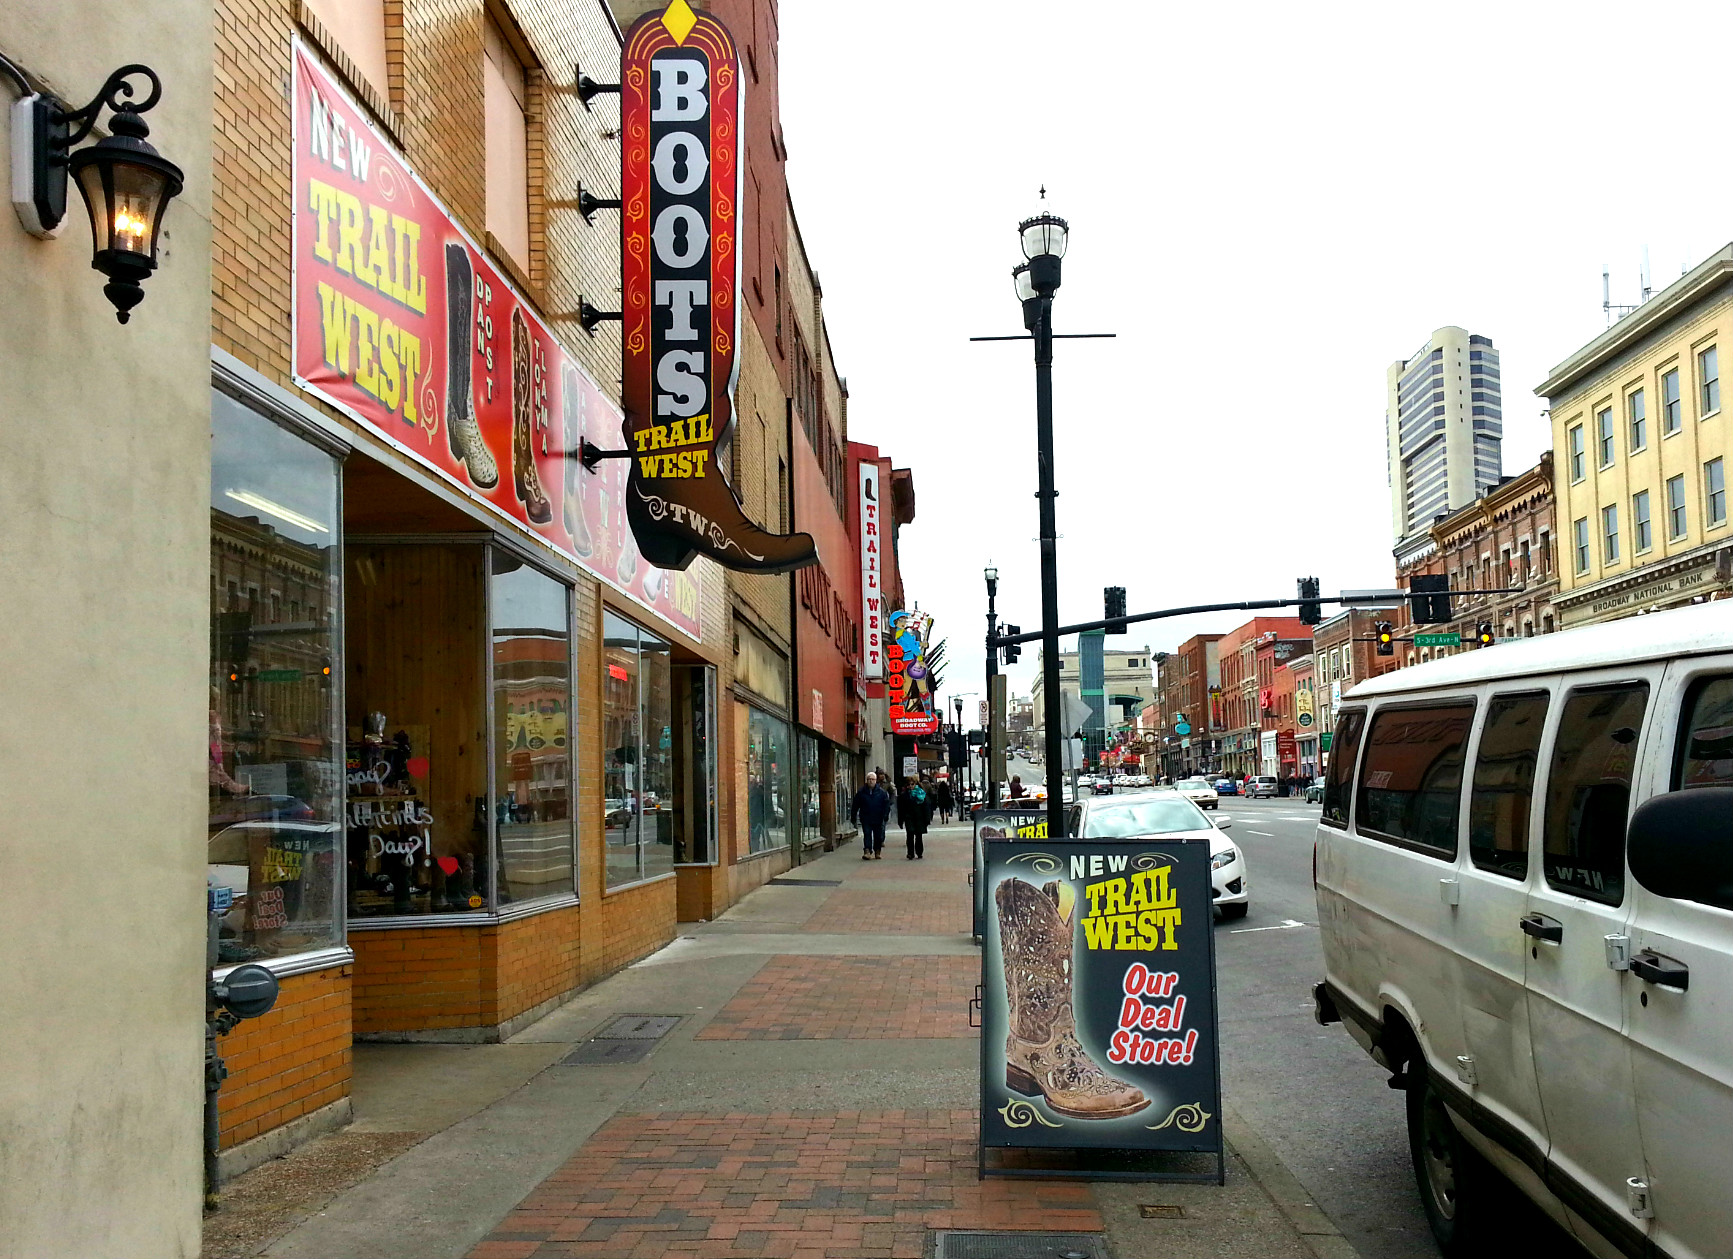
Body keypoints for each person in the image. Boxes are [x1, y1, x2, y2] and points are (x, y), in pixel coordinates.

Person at [851, 772, 892, 860]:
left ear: (876, 781)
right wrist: (853, 816)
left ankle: (877, 851)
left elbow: (886, 805)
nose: (870, 781)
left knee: (878, 835)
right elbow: (855, 805)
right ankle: (867, 851)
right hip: (866, 817)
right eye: (869, 779)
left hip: (878, 817)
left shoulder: (881, 793)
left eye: (872, 779)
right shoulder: (861, 792)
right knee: (867, 834)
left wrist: (885, 815)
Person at [900, 776, 932, 859]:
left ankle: (919, 852)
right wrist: (901, 820)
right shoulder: (904, 795)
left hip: (919, 817)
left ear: (916, 784)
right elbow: (901, 809)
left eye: (912, 784)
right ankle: (910, 853)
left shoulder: (921, 794)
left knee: (918, 836)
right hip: (909, 817)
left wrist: (927, 819)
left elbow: (926, 807)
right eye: (909, 784)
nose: (910, 786)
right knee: (910, 835)